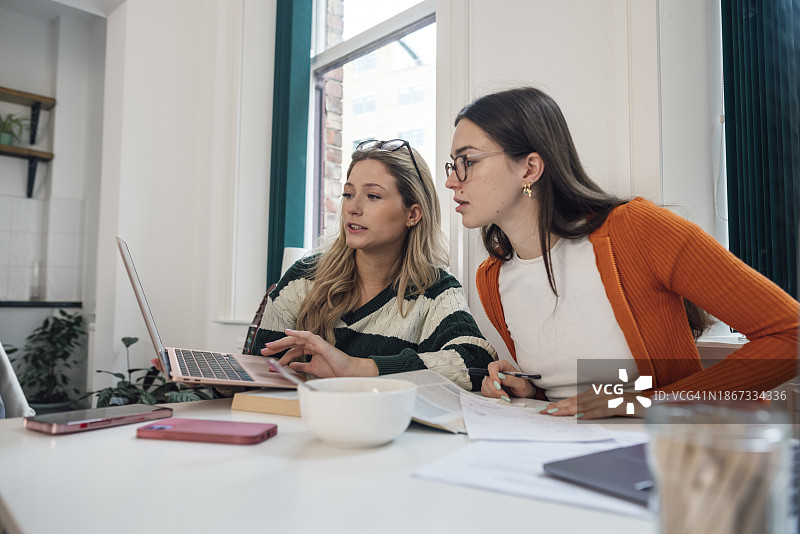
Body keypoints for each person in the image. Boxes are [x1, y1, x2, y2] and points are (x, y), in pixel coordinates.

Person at [444, 86, 799, 418]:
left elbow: (791, 335)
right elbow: (576, 399)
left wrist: (644, 402)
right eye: (452, 164)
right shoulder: (491, 279)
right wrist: (527, 390)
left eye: (467, 161)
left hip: (673, 452)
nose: (451, 181)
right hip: (563, 450)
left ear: (530, 168)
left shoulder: (637, 230)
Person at [255, 139, 497, 390]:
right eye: (348, 194)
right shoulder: (303, 277)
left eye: (372, 196)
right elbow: (258, 369)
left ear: (412, 214)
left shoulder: (436, 291)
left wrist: (357, 368)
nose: (353, 207)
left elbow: (476, 362)